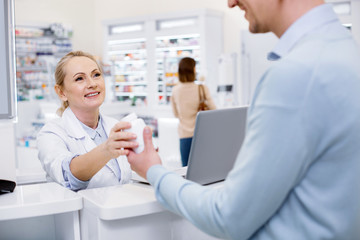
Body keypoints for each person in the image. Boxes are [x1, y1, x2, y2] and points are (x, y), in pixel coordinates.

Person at [127, 0, 360, 239]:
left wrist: (154, 171)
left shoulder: (296, 74)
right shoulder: (344, 48)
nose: (230, 3)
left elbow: (227, 216)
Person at [37, 51, 138, 191]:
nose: (92, 84)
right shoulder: (51, 134)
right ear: (61, 92)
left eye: (96, 75)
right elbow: (69, 175)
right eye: (79, 79)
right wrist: (106, 149)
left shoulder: (114, 125)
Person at [170, 57, 216, 166]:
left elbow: (176, 114)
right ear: (194, 70)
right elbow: (214, 110)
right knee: (204, 167)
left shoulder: (175, 90)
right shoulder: (202, 89)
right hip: (201, 134)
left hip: (184, 136)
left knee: (187, 170)